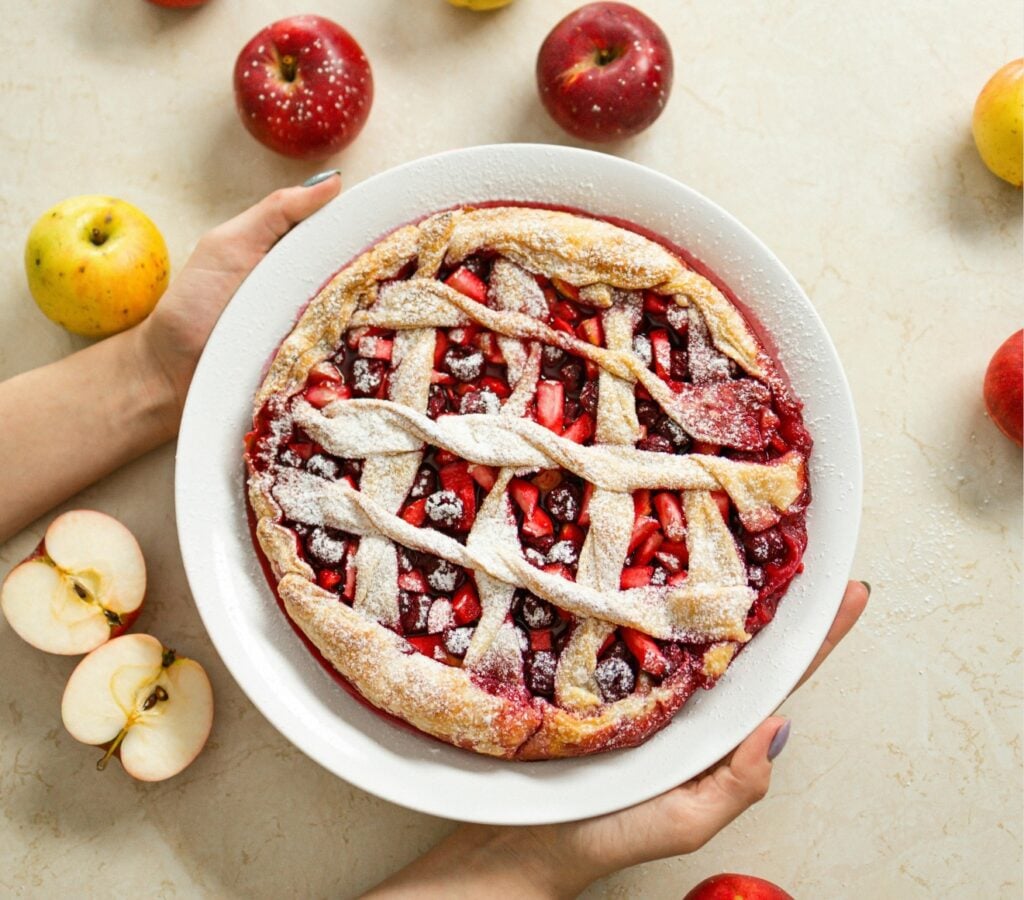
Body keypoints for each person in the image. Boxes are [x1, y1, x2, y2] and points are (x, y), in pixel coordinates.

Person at [0, 174, 869, 898]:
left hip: (650, 494)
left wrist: (160, 377)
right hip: (370, 477)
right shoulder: (415, 317)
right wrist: (529, 863)